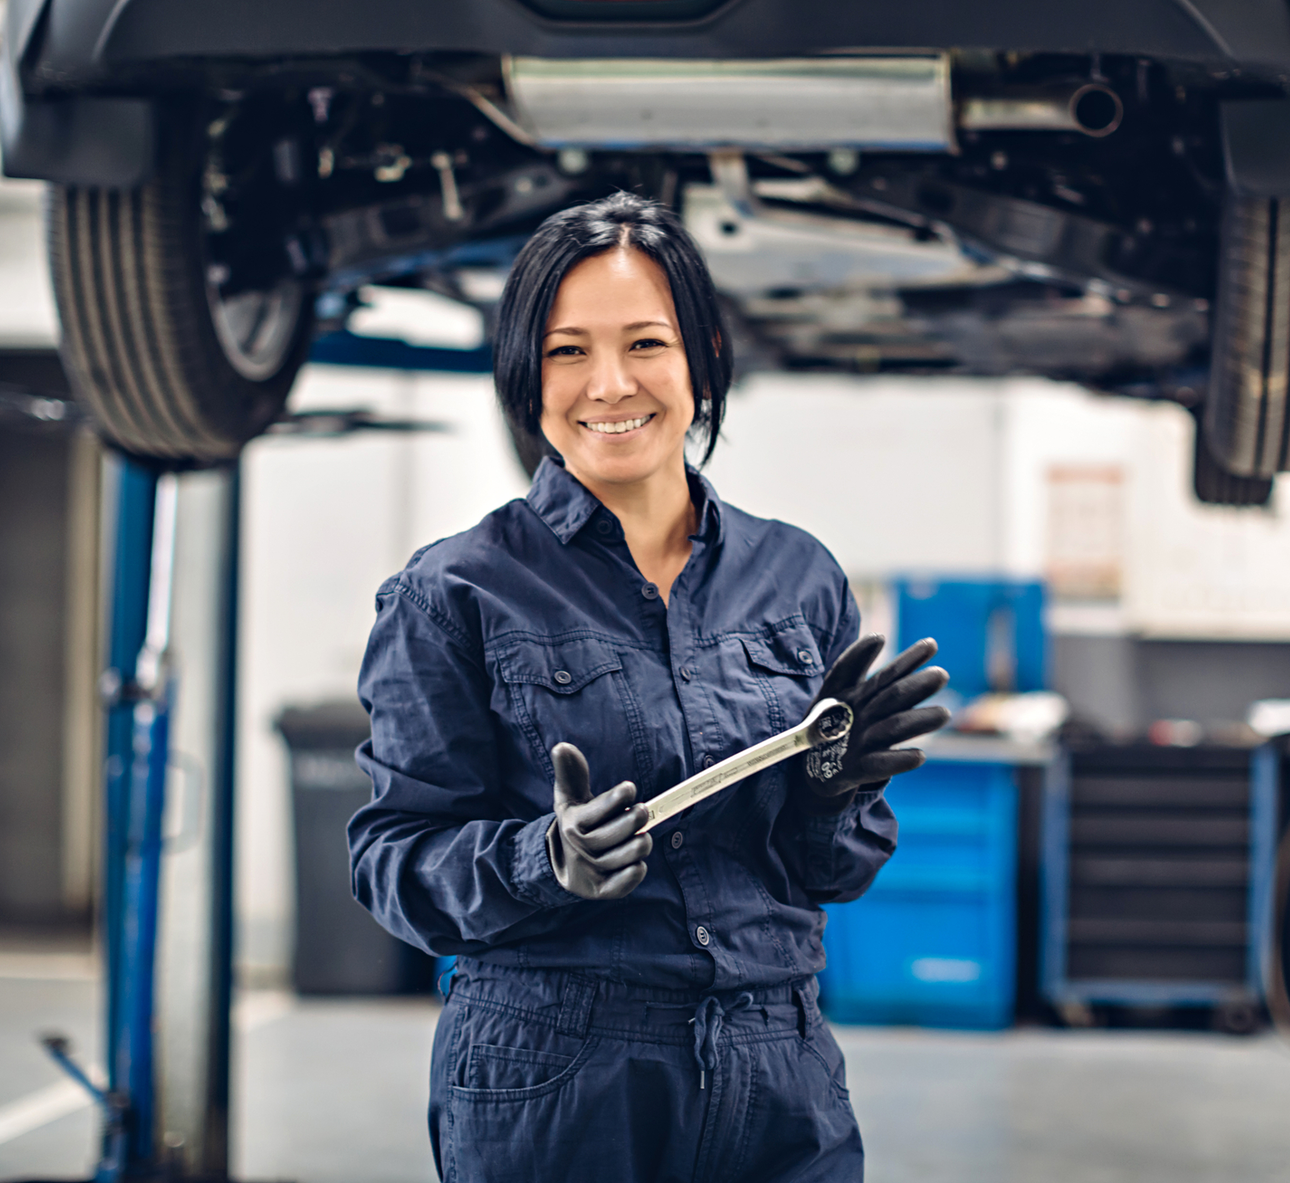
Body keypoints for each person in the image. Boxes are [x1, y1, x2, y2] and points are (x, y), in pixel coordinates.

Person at [348, 190, 949, 1183]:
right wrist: (545, 860)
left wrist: (831, 793)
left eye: (646, 343)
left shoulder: (798, 577)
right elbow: (391, 856)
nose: (610, 382)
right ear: (523, 372)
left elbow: (830, 872)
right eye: (567, 349)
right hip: (559, 1071)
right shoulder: (453, 591)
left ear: (702, 355)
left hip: (779, 1062)